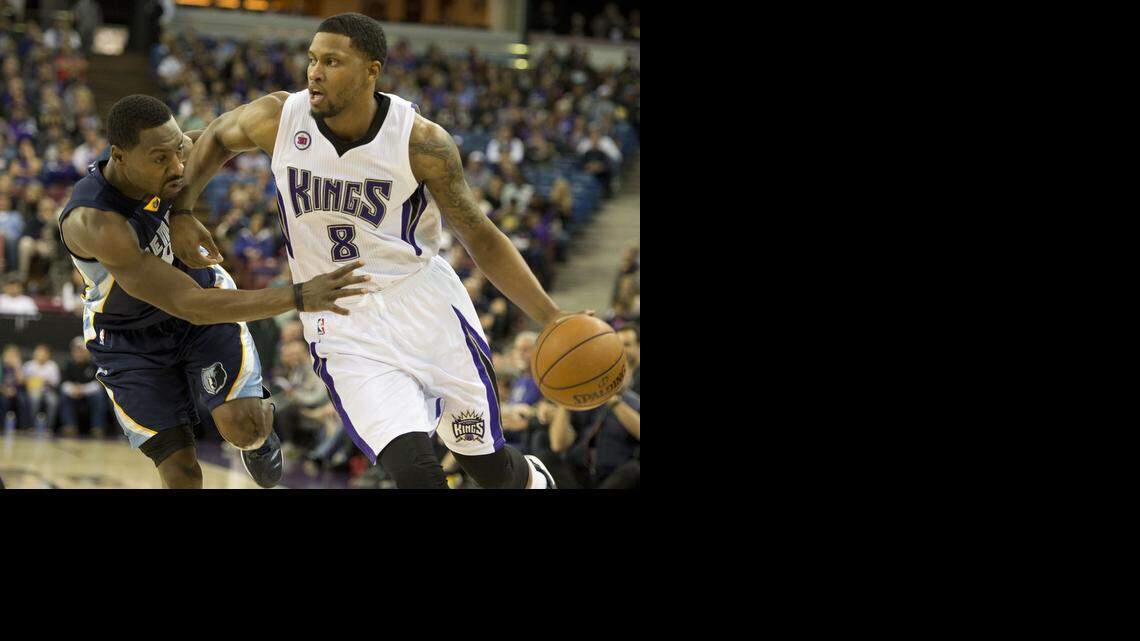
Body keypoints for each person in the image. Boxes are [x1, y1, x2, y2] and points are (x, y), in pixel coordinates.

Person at [172, 13, 585, 489]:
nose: (314, 72)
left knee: (486, 466)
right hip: (341, 320)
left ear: (372, 69)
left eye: (332, 61)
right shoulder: (279, 117)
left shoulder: (421, 142)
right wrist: (182, 209)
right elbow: (219, 135)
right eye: (311, 60)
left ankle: (534, 481)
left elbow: (480, 234)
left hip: (424, 307)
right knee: (415, 473)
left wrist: (550, 315)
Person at [57, 94, 370, 489]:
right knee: (182, 473)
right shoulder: (97, 223)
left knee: (245, 428)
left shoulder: (173, 155)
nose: (177, 166)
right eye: (161, 159)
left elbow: (244, 121)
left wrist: (183, 209)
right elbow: (190, 304)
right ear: (119, 157)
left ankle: (259, 438)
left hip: (198, 307)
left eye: (177, 152)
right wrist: (300, 295)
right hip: (130, 335)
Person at [58, 335, 109, 437]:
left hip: (90, 394)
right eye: (76, 351)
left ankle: (97, 427)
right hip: (73, 395)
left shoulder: (94, 364)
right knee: (64, 396)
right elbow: (63, 384)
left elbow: (98, 384)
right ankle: (70, 426)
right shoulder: (69, 365)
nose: (78, 353)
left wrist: (82, 390)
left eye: (81, 351)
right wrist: (73, 389)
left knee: (99, 396)